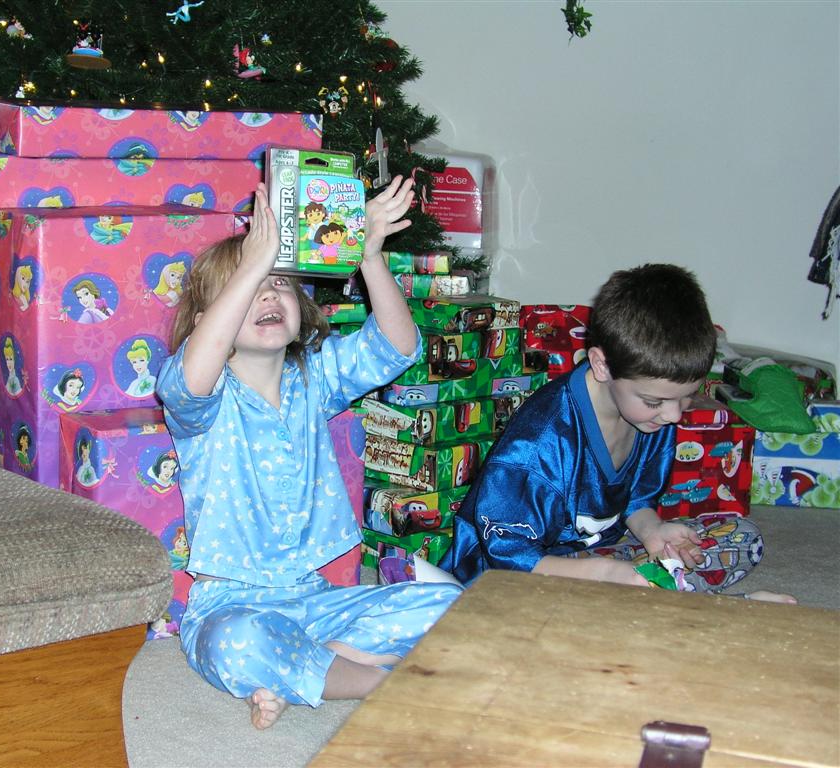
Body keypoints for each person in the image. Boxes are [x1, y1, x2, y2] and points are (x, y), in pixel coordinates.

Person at [156, 178, 461, 730]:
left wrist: (369, 256)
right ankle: (377, 682)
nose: (268, 295)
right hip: (231, 605)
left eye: (279, 284)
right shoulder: (202, 402)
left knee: (453, 605)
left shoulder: (314, 379)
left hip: (316, 600)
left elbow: (397, 346)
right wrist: (254, 262)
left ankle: (311, 671)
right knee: (236, 644)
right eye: (249, 288)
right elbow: (192, 378)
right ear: (208, 323)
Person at [442, 264, 795, 603]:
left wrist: (652, 531)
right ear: (602, 365)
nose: (674, 415)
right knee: (577, 598)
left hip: (599, 554)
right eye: (655, 401)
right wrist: (601, 575)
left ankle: (652, 598)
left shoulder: (650, 416)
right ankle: (714, 608)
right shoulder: (537, 446)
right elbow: (507, 556)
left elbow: (637, 500)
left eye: (686, 397)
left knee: (741, 537)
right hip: (511, 577)